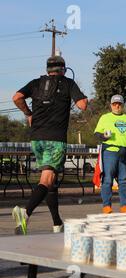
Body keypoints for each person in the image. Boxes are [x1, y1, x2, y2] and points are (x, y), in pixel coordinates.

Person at [11, 56, 88, 235]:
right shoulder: (68, 83)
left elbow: (16, 97)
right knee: (46, 180)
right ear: (63, 69)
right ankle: (25, 213)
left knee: (51, 183)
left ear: (47, 70)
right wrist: (85, 99)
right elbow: (82, 106)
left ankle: (57, 223)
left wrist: (28, 114)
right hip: (55, 140)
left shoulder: (35, 83)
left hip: (37, 139)